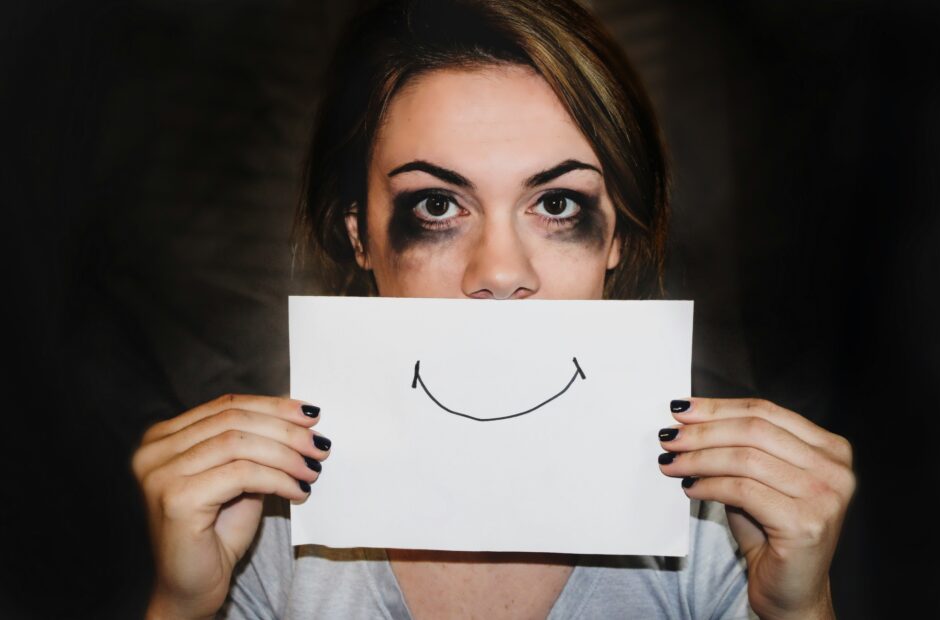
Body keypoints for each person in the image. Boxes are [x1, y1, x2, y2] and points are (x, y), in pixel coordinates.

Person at [132, 0, 855, 618]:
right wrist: (181, 606)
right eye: (438, 205)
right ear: (360, 235)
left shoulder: (723, 526)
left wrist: (799, 609)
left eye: (558, 204)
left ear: (617, 239)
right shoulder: (261, 525)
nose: (500, 272)